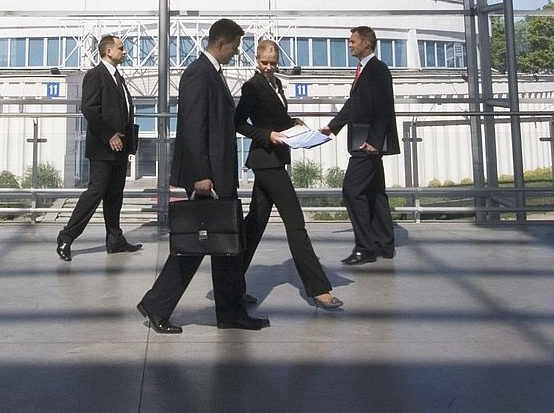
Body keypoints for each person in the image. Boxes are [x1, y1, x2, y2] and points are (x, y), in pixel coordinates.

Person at [137, 18, 269, 334]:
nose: (236, 54)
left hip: (218, 171)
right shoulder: (199, 74)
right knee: (198, 244)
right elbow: (194, 127)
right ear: (221, 44)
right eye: (235, 48)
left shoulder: (211, 73)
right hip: (208, 175)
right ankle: (158, 304)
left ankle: (229, 311)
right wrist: (201, 175)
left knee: (225, 244)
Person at [234, 39, 342, 310]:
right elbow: (238, 123)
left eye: (273, 62)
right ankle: (319, 289)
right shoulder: (252, 86)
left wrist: (294, 124)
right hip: (266, 160)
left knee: (254, 225)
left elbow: (276, 117)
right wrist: (267, 135)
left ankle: (230, 285)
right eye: (264, 63)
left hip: (274, 161)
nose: (269, 67)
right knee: (295, 223)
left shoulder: (276, 84)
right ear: (256, 60)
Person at [56, 34, 143, 261]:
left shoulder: (118, 78)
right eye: (121, 48)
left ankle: (115, 239)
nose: (124, 52)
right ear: (108, 52)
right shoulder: (96, 75)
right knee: (96, 191)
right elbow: (90, 109)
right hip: (104, 146)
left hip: (120, 145)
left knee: (115, 194)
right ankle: (66, 237)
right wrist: (109, 135)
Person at [321, 25, 399, 265]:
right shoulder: (363, 70)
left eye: (353, 41)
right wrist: (333, 127)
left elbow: (384, 106)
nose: (349, 44)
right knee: (374, 193)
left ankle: (365, 248)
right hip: (364, 141)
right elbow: (353, 104)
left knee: (352, 190)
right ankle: (384, 245)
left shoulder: (377, 69)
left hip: (367, 144)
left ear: (366, 43)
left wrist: (374, 140)